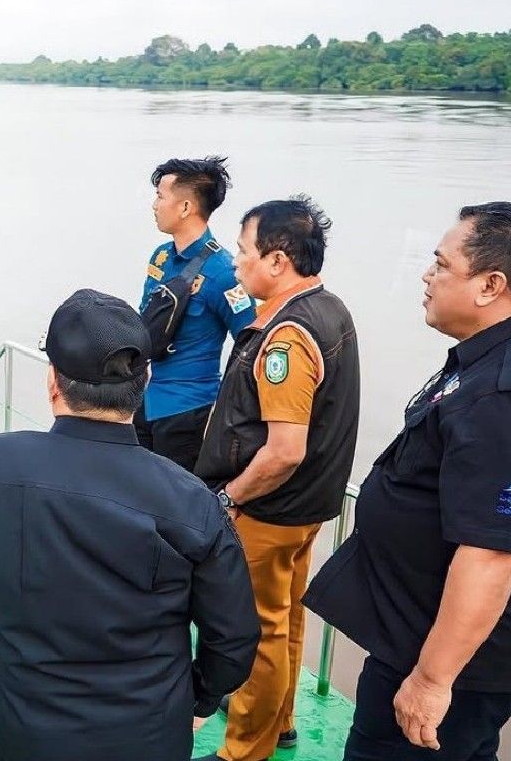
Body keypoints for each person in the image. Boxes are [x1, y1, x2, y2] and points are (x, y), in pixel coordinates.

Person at [0, 289, 259, 761]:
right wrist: (196, 697)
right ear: (145, 381)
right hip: (151, 736)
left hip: (33, 736)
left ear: (53, 381)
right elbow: (234, 639)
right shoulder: (192, 502)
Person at [304, 202, 511, 761]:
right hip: (427, 633)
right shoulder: (502, 357)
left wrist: (434, 681)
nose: (426, 275)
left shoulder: (506, 393)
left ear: (490, 286)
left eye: (441, 264)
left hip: (453, 658)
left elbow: (493, 552)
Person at [193, 196, 360, 761]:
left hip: (268, 510)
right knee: (284, 620)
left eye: (244, 251)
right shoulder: (329, 307)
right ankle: (281, 722)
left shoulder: (286, 338)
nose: (236, 263)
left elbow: (285, 450)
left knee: (255, 634)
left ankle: (244, 749)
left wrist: (226, 497)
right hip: (309, 507)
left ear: (278, 259)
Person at [136, 156, 256, 472]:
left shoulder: (223, 273)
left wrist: (225, 414)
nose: (154, 205)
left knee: (174, 505)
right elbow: (142, 319)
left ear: (186, 207)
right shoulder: (161, 257)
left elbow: (250, 342)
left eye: (161, 196)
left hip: (188, 413)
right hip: (148, 400)